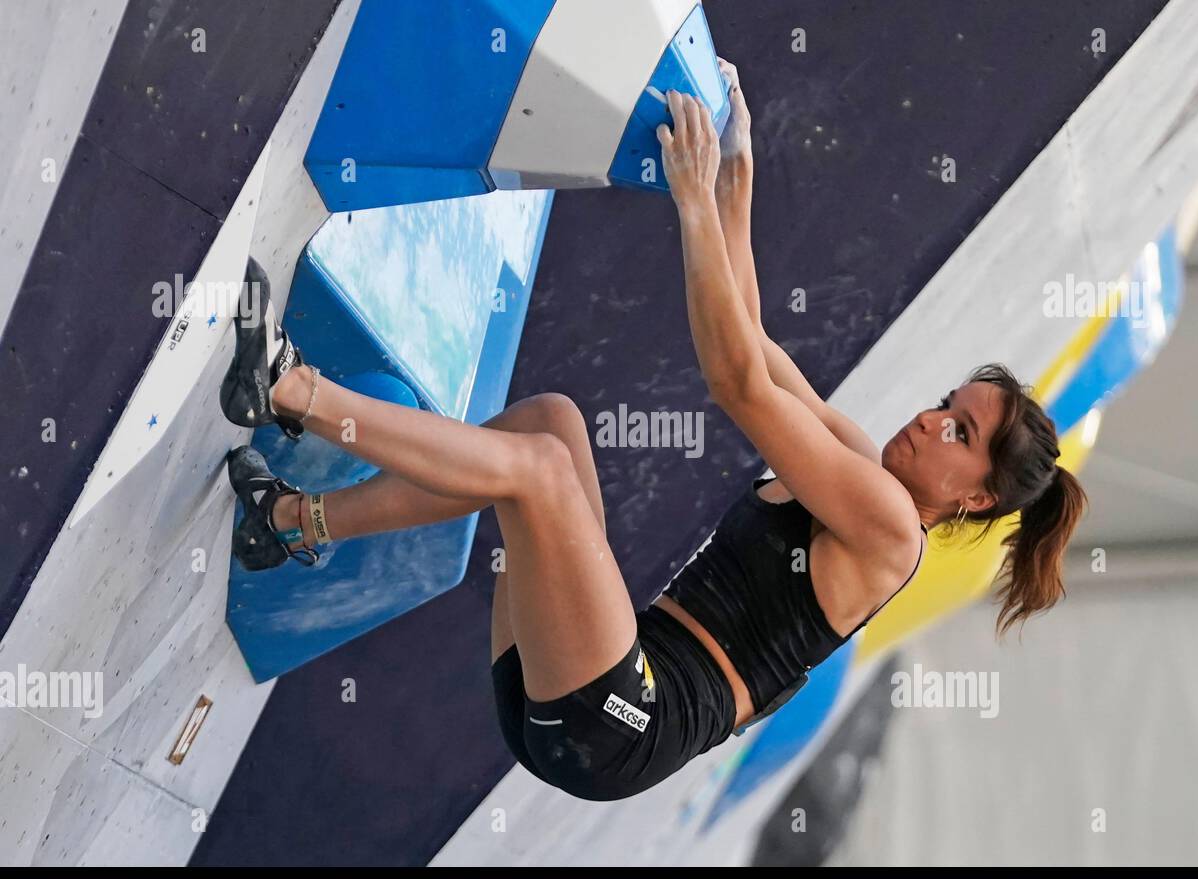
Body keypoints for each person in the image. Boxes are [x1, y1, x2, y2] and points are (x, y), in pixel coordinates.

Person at [219, 59, 1086, 802]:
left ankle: (290, 388)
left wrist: (692, 205)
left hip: (625, 723)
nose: (934, 421)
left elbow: (737, 382)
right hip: (586, 688)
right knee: (549, 425)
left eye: (960, 434)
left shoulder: (892, 533)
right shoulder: (860, 467)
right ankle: (289, 523)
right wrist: (734, 186)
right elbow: (755, 340)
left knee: (541, 477)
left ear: (974, 495)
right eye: (948, 405)